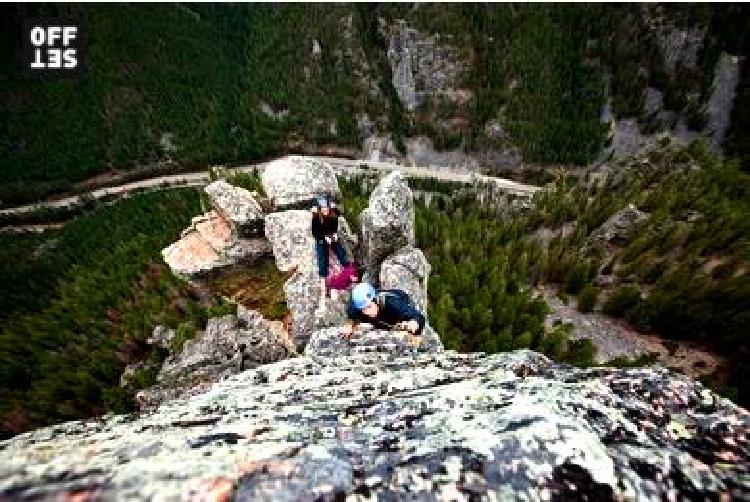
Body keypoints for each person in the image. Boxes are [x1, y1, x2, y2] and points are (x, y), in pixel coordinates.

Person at [340, 282, 425, 338]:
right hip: (382, 319)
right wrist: (349, 325)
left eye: (369, 307)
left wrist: (414, 323)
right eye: (363, 309)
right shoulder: (357, 306)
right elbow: (351, 313)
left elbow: (418, 317)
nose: (367, 312)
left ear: (376, 300)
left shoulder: (392, 304)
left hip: (396, 313)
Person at [311, 195, 349, 301]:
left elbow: (334, 227)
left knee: (339, 249)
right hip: (321, 238)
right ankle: (323, 286)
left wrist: (334, 235)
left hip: (330, 235)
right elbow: (315, 233)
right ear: (319, 209)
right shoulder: (316, 218)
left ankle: (348, 270)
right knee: (322, 256)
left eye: (326, 208)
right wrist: (323, 238)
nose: (325, 210)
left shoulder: (333, 215)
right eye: (323, 208)